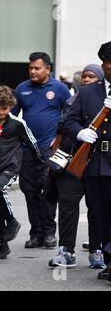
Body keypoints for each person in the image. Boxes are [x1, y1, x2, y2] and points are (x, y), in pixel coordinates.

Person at [0, 86, 43, 259]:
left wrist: (40, 167)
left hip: (11, 168)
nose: (1, 112)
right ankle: (3, 244)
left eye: (4, 108)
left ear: (10, 106)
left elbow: (33, 145)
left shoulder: (18, 124)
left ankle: (12, 222)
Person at [48, 63, 106, 269]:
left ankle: (97, 250)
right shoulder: (78, 97)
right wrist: (80, 131)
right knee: (67, 205)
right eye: (85, 76)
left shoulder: (105, 99)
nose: (87, 79)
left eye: (92, 77)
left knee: (97, 208)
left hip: (98, 163)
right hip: (72, 160)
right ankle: (66, 250)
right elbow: (65, 123)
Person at [12, 52, 71, 249]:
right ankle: (35, 233)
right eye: (31, 68)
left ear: (48, 69)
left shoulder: (60, 89)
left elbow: (71, 115)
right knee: (30, 191)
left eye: (37, 68)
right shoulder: (22, 89)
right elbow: (11, 117)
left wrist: (60, 139)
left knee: (48, 190)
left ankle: (48, 233)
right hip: (27, 149)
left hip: (50, 150)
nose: (33, 71)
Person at [63, 41, 111, 281]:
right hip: (94, 163)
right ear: (104, 65)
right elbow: (69, 121)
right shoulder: (88, 91)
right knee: (100, 215)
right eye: (110, 63)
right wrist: (80, 132)